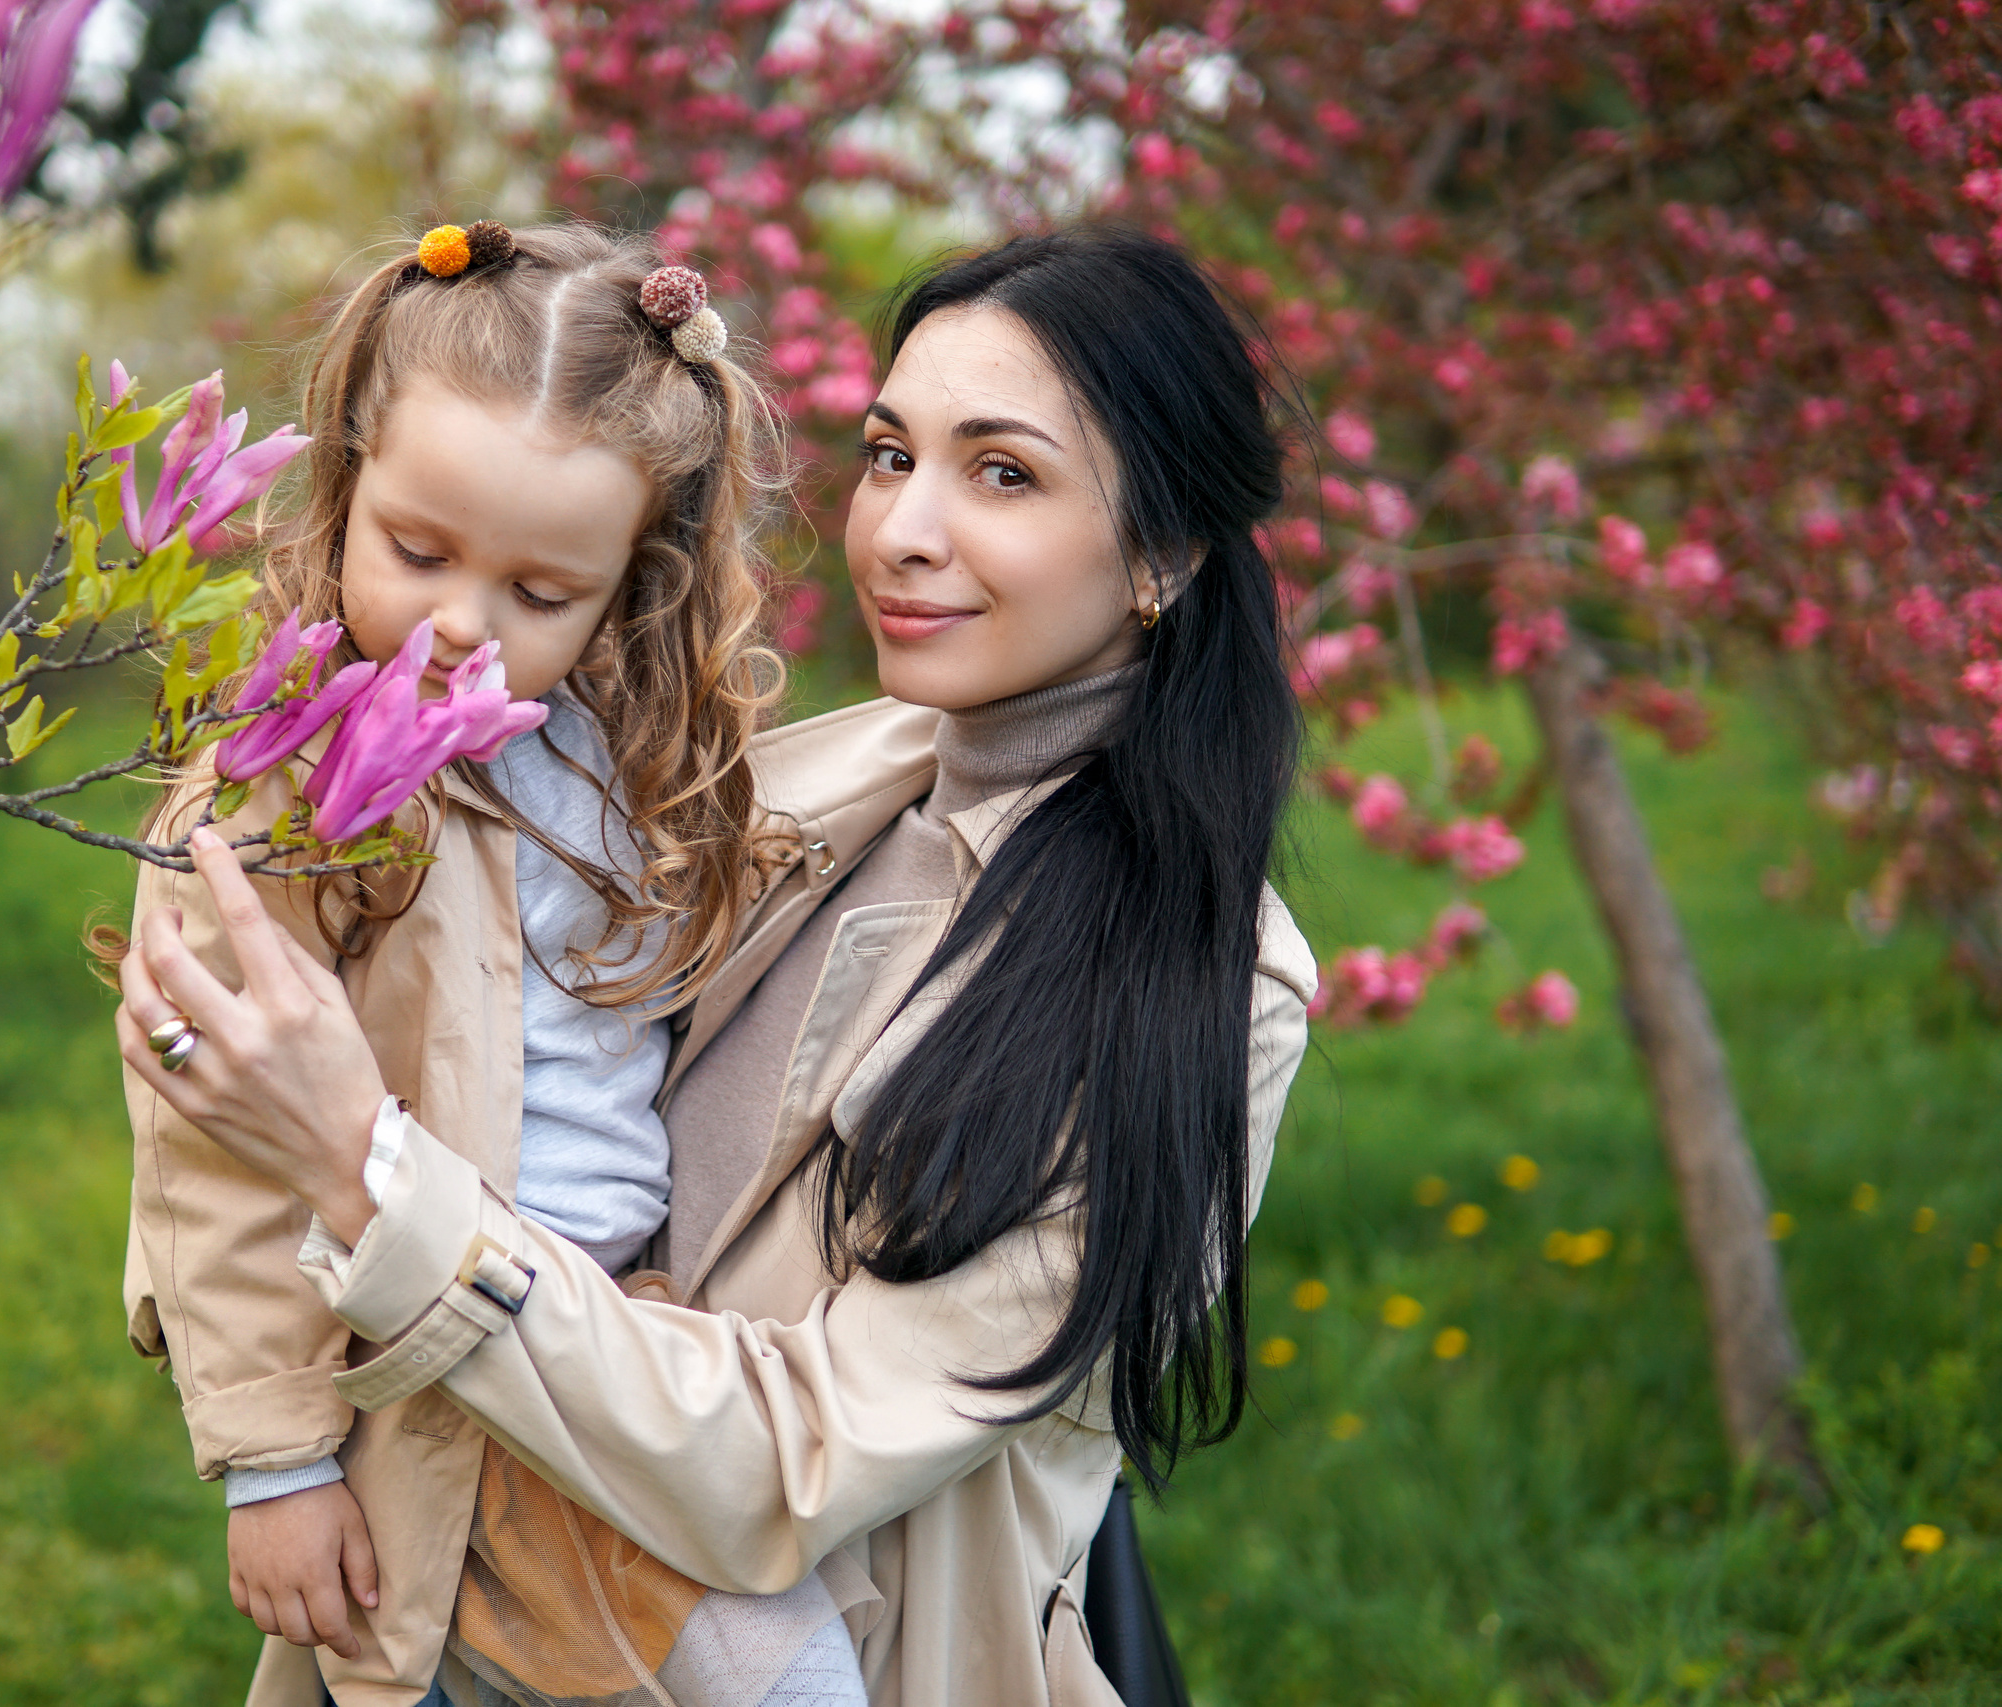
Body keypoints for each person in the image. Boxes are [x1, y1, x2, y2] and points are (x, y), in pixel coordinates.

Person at [121, 225, 1318, 1707]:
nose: (902, 533)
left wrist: (363, 1166)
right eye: (891, 455)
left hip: (828, 1647)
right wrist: (275, 1441)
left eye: (1001, 473)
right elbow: (245, 1118)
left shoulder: (1194, 989)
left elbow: (793, 1457)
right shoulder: (782, 793)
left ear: (1163, 555)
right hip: (461, 1569)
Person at [117, 220, 873, 1705]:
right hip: (446, 1376)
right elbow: (207, 1144)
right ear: (344, 492)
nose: (465, 624)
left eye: (541, 594)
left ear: (620, 591)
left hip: (623, 1354)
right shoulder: (295, 789)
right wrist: (273, 1461)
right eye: (417, 552)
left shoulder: (617, 754)